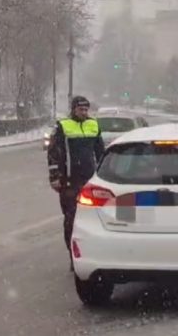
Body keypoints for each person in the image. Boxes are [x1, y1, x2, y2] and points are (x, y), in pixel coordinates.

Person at [47, 96, 105, 270]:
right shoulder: (63, 126)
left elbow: (100, 153)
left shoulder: (94, 125)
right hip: (69, 182)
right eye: (81, 109)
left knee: (94, 219)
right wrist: (55, 177)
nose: (84, 112)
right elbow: (53, 154)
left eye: (86, 109)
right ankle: (73, 255)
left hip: (90, 181)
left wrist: (103, 175)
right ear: (73, 109)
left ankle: (92, 253)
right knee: (71, 219)